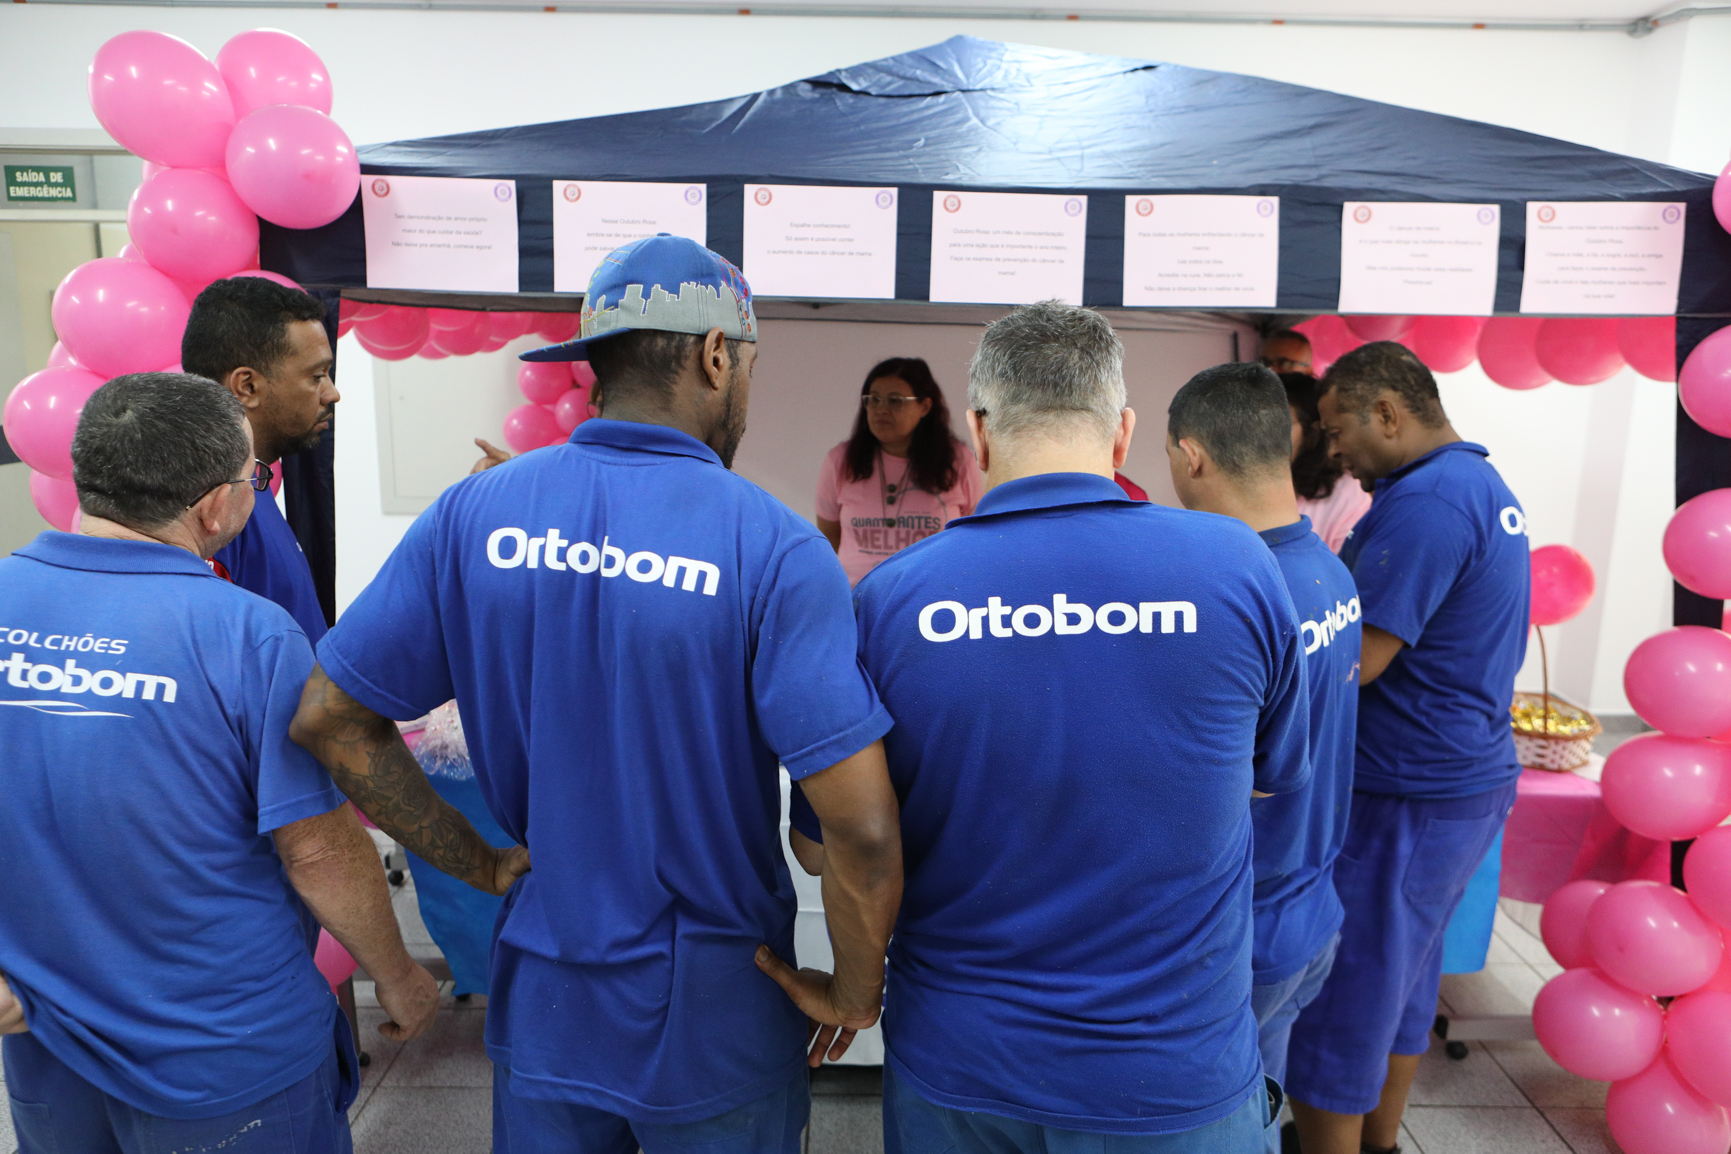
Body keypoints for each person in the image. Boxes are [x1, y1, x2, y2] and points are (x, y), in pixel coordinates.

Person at [289, 234, 904, 1154]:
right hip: (720, 1007)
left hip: (547, 996)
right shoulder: (771, 546)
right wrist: (856, 991)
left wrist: (478, 859)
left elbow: (329, 718)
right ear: (712, 355)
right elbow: (856, 827)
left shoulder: (473, 514)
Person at [797, 301, 1310, 1153]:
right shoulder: (1236, 567)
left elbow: (833, 845)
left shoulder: (888, 601)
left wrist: (855, 989)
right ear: (1122, 434)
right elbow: (1263, 776)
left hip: (964, 1068)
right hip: (1170, 1074)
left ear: (979, 431)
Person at [0, 372, 437, 1154]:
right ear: (215, 504)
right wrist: (399, 976)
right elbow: (319, 851)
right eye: (253, 478)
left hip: (48, 1042)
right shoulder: (249, 637)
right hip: (220, 1057)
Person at [1284, 342, 1529, 1154]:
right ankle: (1378, 1144)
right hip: (1454, 774)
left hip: (1406, 786)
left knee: (1348, 988)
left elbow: (1359, 662)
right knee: (1400, 981)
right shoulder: (1477, 484)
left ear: (1386, 411)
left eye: (1335, 428)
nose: (1332, 450)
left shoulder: (1427, 502)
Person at [1165, 363, 1360, 1148]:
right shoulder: (1326, 569)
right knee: (1258, 1116)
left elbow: (1218, 781)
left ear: (1190, 457)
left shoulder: (1239, 595)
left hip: (1244, 922)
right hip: (1308, 908)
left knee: (1203, 1128)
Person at [181, 276, 339, 641]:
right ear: (247, 386)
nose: (332, 393)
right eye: (317, 376)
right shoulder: (212, 505)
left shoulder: (251, 484)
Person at [816, 357, 982, 586]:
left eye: (895, 401)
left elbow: (973, 532)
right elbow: (829, 533)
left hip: (932, 596)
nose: (881, 409)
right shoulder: (841, 460)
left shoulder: (958, 460)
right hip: (859, 600)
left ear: (924, 407)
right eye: (873, 400)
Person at [1283, 372, 1372, 553]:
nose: (1261, 435)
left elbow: (1345, 577)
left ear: (1314, 432)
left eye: (1277, 424)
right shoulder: (1238, 483)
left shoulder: (1349, 498)